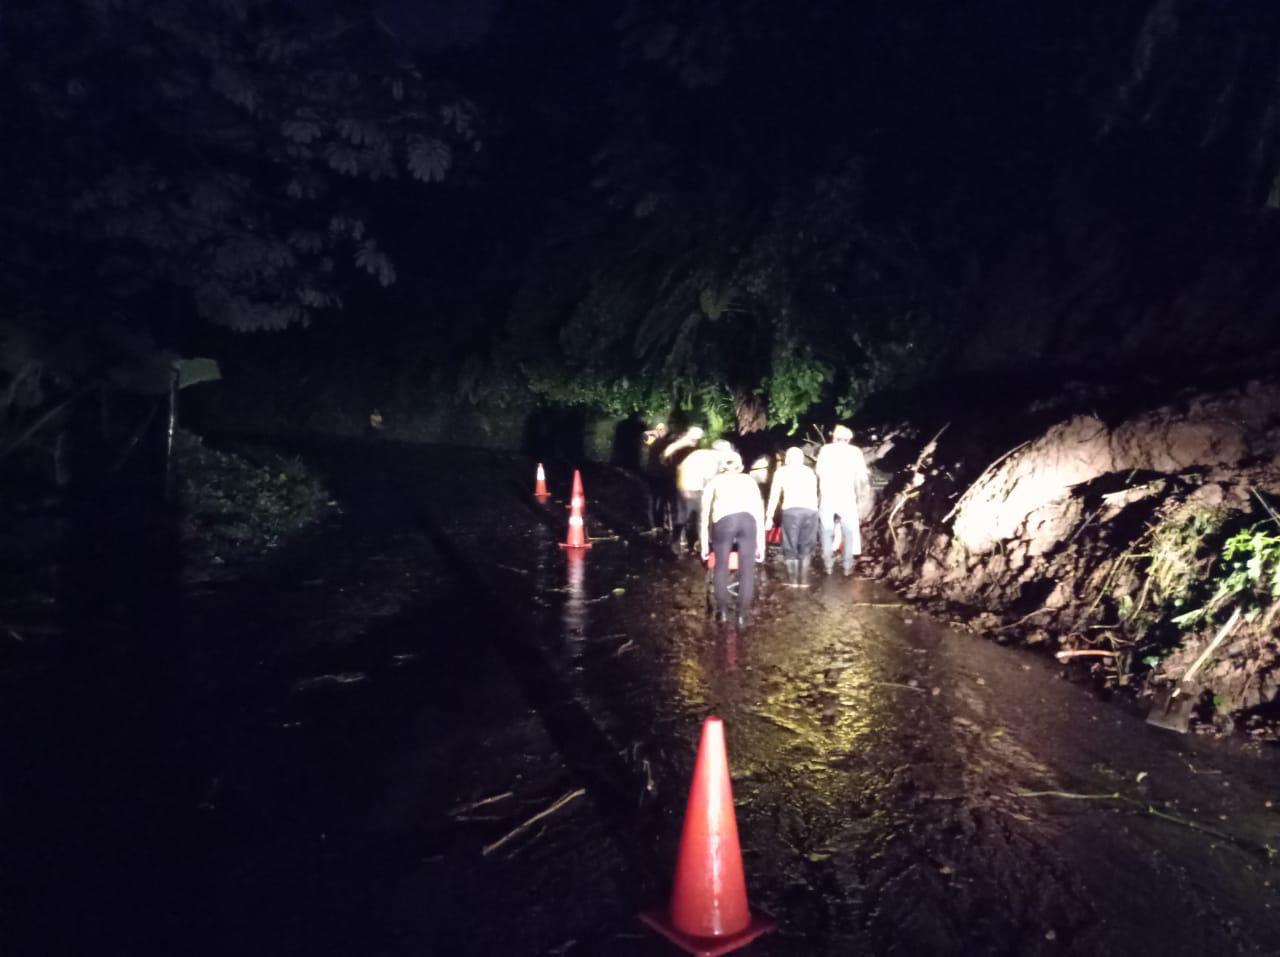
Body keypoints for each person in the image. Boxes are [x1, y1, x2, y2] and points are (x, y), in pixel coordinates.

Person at [699, 449, 765, 626]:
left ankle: (722, 612)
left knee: (721, 566)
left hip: (724, 522)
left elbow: (704, 513)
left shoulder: (715, 481)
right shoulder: (749, 480)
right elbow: (759, 511)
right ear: (741, 466)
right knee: (747, 570)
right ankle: (742, 615)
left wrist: (704, 543)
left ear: (722, 466)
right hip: (747, 522)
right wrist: (761, 544)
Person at [815, 423, 871, 576]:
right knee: (849, 531)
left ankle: (827, 564)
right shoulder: (855, 452)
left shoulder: (825, 450)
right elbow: (861, 477)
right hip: (847, 496)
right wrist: (861, 497)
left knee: (826, 531)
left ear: (834, 437)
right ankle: (847, 566)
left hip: (828, 496)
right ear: (849, 439)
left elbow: (818, 472)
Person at [764, 446, 819, 586]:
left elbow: (774, 495)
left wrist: (769, 516)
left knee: (790, 545)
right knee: (806, 545)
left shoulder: (782, 472)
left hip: (792, 511)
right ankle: (804, 581)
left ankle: (793, 581)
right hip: (811, 511)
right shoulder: (810, 472)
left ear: (787, 459)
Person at [665, 427, 719, 554]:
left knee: (685, 516)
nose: (696, 442)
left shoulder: (691, 449)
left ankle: (681, 542)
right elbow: (710, 476)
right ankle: (695, 543)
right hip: (690, 487)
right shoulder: (686, 448)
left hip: (684, 486)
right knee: (699, 517)